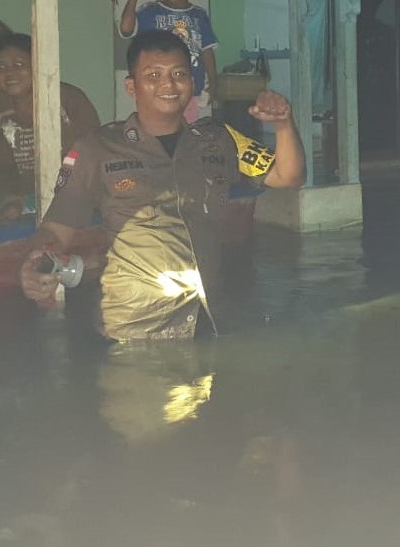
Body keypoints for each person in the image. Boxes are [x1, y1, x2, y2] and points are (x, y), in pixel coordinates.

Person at [18, 31, 305, 341]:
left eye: (179, 74)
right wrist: (36, 262)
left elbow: (289, 176)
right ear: (132, 86)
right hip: (132, 331)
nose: (168, 85)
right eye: (153, 75)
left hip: (208, 322)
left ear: (192, 84)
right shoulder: (97, 149)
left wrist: (282, 123)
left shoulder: (218, 140)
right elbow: (56, 230)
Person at [0, 33, 101, 221]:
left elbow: (91, 153)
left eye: (19, 65)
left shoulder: (68, 99)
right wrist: (13, 202)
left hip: (81, 196)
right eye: (0, 67)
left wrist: (71, 197)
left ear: (38, 65)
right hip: (25, 203)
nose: (9, 73)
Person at [118, 0, 219, 124]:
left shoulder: (199, 16)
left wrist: (214, 83)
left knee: (185, 134)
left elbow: (207, 52)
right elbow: (126, 29)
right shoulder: (150, 11)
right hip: (154, 90)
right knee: (156, 130)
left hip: (189, 91)